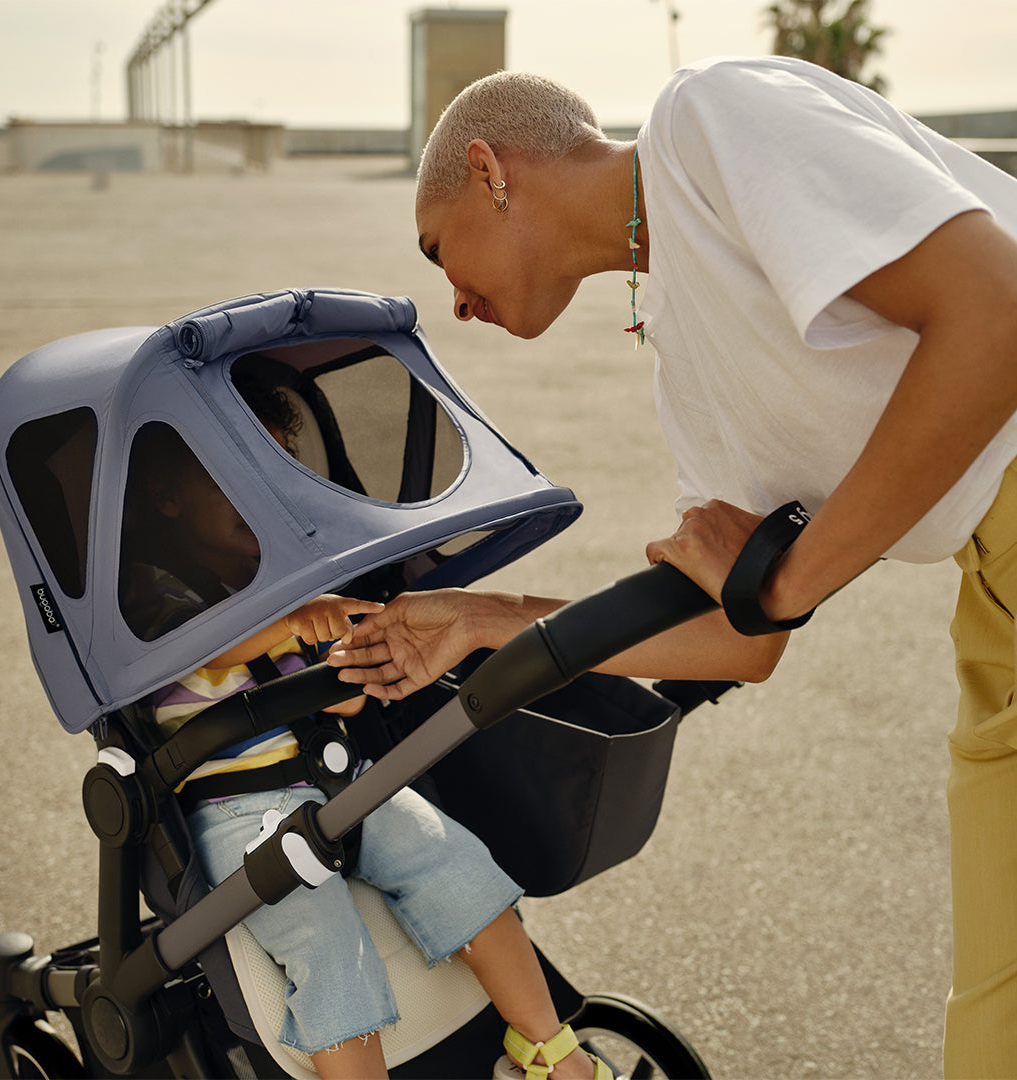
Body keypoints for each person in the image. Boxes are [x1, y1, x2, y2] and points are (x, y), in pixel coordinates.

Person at [326, 58, 1017, 1078]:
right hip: (992, 600)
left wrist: (790, 578)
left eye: (439, 252)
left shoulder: (706, 123)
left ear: (490, 171)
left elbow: (996, 310)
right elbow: (737, 641)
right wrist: (485, 617)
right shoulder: (687, 370)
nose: (453, 304)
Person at [127, 380, 609, 1079]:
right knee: (328, 946)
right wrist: (289, 627)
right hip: (240, 812)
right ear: (169, 499)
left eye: (275, 472)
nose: (259, 495)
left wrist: (344, 667)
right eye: (233, 475)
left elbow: (343, 706)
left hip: (338, 780)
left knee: (459, 864)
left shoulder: (286, 581)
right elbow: (197, 649)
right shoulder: (148, 591)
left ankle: (546, 1049)